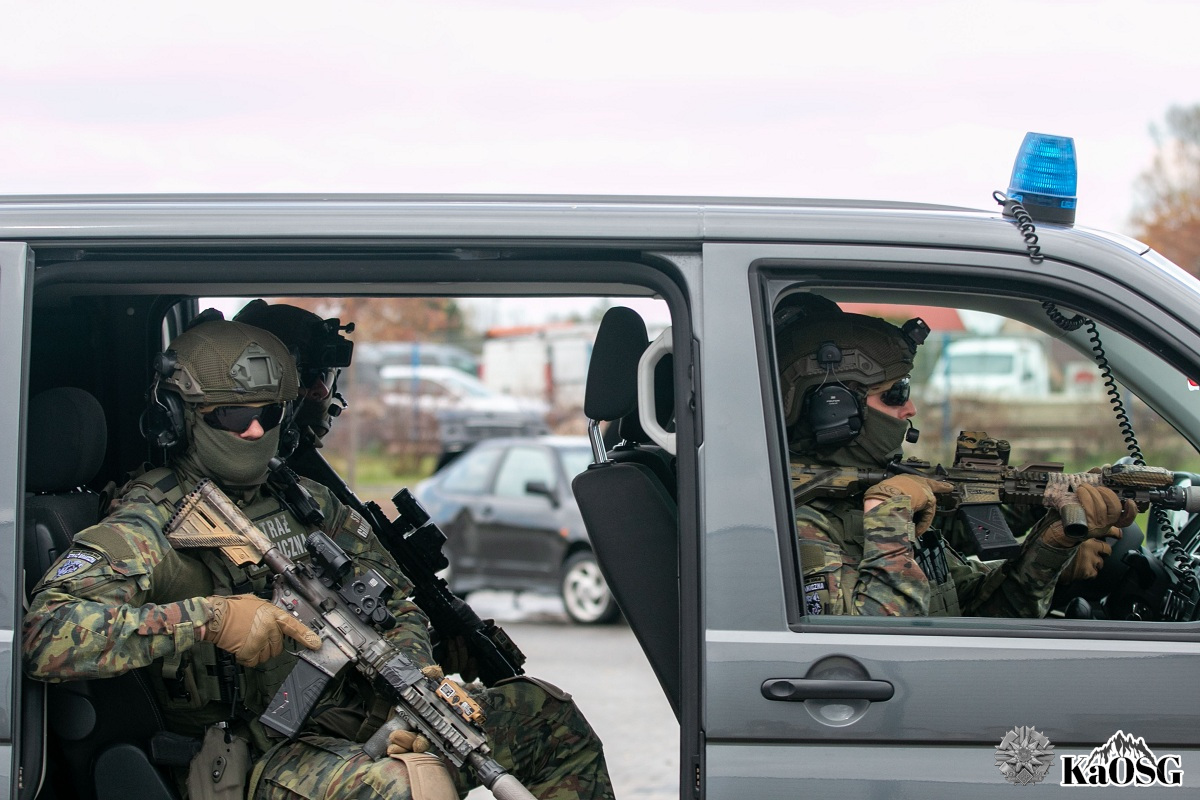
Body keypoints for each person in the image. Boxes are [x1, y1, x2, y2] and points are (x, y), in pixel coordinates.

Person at [22, 317, 614, 800]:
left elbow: (398, 601)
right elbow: (43, 637)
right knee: (409, 789)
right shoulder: (147, 524)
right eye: (234, 416)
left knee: (549, 716)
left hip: (361, 714)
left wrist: (414, 680)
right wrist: (211, 619)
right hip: (260, 754)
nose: (255, 431)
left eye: (270, 414)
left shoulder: (306, 502)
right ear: (177, 419)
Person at [776, 301, 1137, 617]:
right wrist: (888, 514)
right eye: (895, 393)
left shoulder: (859, 496)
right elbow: (872, 648)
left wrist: (1050, 548)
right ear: (833, 409)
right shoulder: (799, 524)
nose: (910, 408)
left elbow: (978, 614)